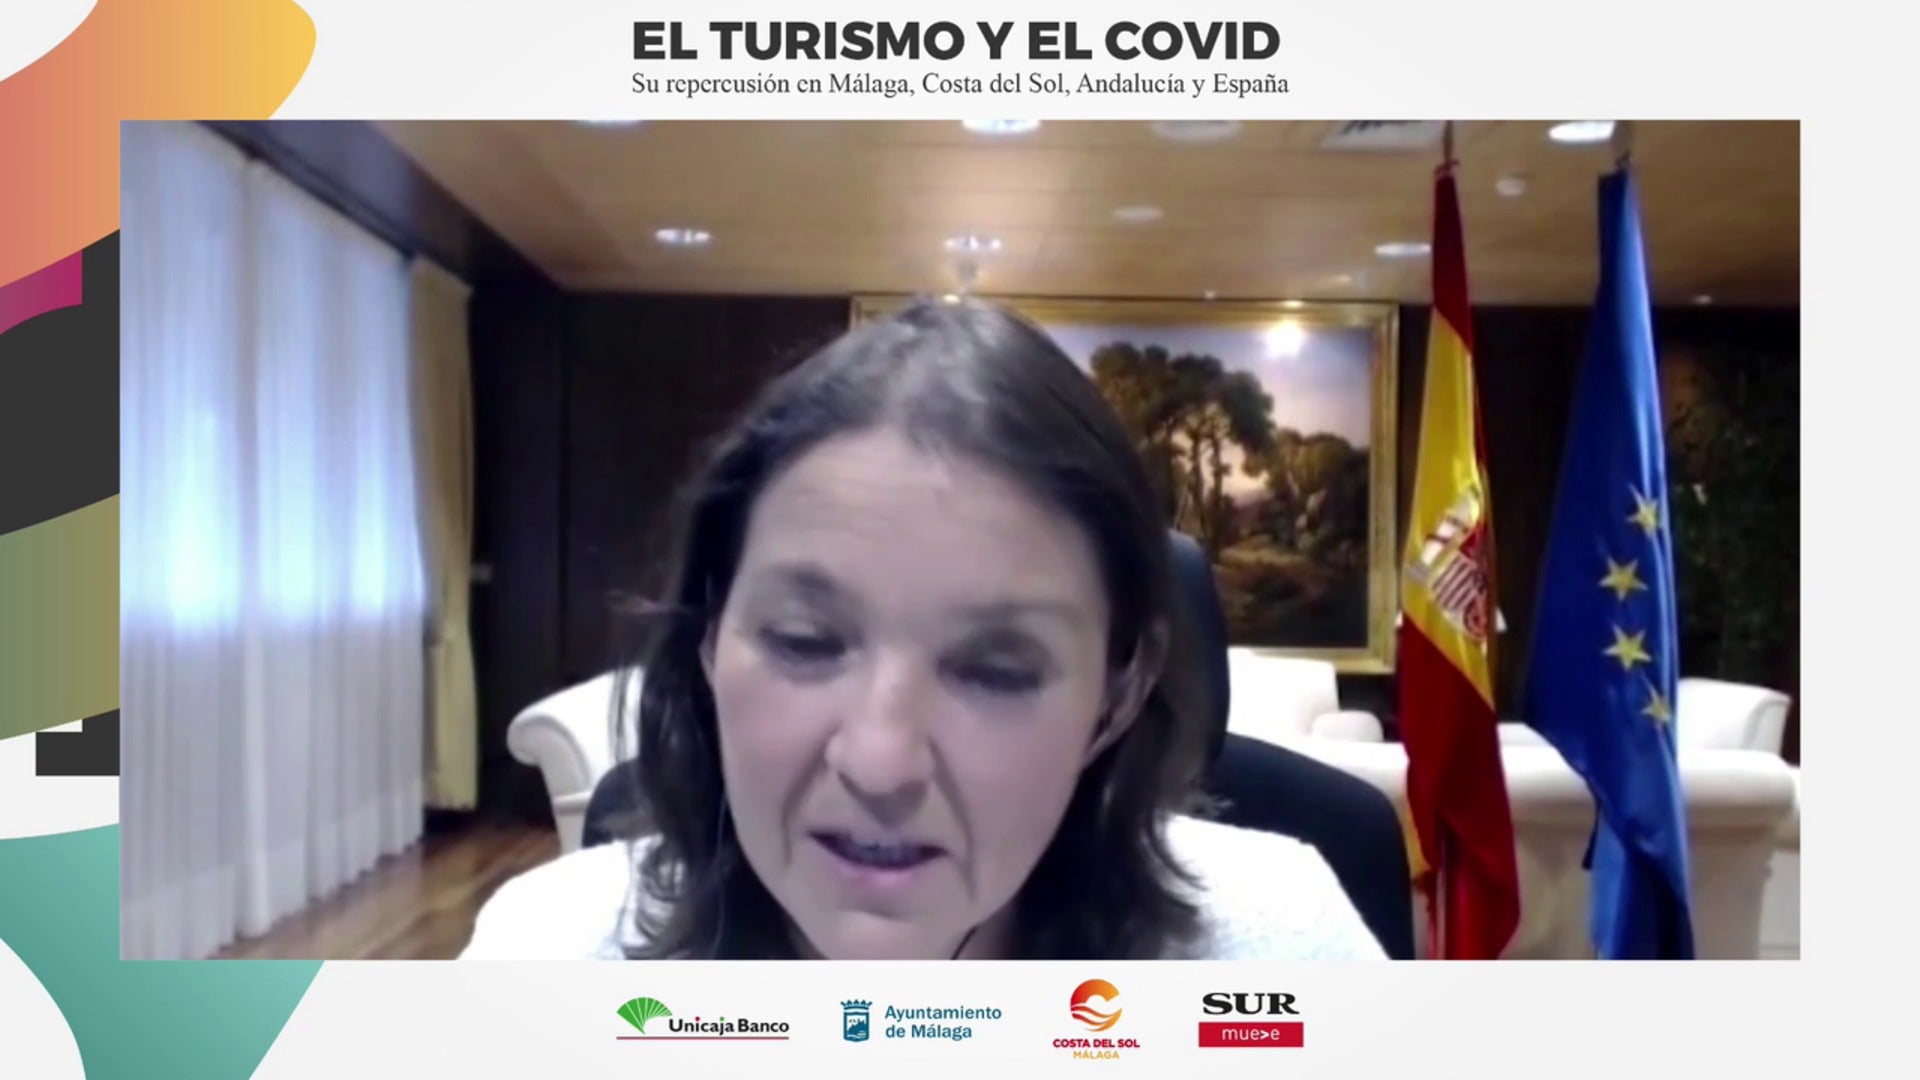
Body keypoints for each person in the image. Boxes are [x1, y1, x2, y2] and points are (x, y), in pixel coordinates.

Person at [461, 298, 1387, 961]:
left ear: (1117, 694)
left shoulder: (1283, 953)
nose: (880, 763)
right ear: (708, 638)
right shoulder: (550, 956)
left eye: (996, 669)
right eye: (804, 640)